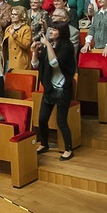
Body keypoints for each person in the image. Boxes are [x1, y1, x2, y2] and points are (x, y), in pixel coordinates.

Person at [32, 22, 76, 161]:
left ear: (61, 32)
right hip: (50, 88)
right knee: (42, 119)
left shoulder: (67, 46)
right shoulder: (48, 46)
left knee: (61, 121)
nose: (51, 32)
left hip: (63, 88)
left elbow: (54, 63)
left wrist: (48, 45)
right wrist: (34, 52)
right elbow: (35, 65)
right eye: (51, 29)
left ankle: (69, 149)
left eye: (55, 30)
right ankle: (44, 144)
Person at [3, 6, 33, 71]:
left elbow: (26, 45)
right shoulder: (8, 28)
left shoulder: (26, 29)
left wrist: (14, 35)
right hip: (8, 61)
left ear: (21, 16)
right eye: (12, 14)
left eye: (15, 14)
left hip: (20, 62)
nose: (12, 16)